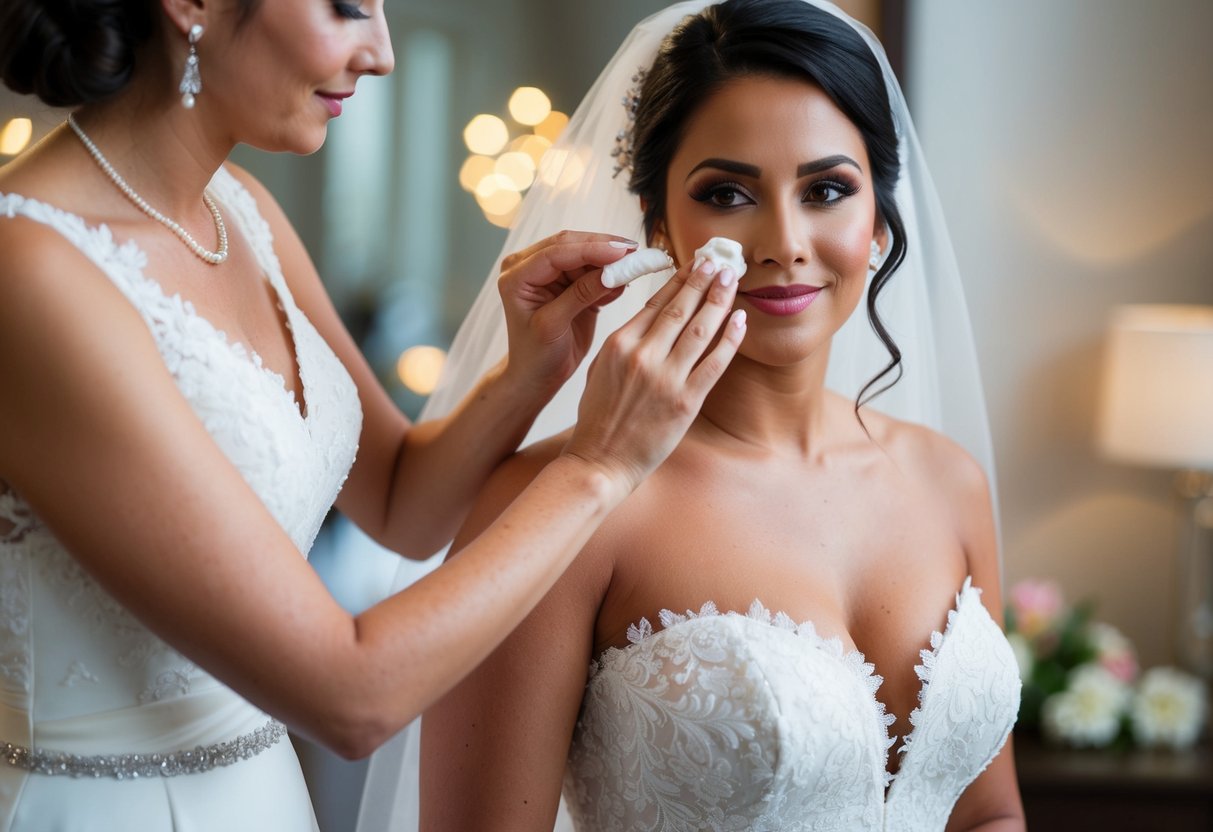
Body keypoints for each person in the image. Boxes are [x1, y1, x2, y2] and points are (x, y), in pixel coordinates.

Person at [0, 0, 747, 829]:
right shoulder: (30, 274)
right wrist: (598, 467)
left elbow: (402, 504)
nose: (382, 54)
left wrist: (528, 372)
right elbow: (351, 697)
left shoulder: (237, 212)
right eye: (347, 6)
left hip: (261, 798)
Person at [401, 0, 1025, 829]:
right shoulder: (551, 504)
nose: (783, 240)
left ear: (877, 220)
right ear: (659, 224)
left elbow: (987, 815)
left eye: (828, 189)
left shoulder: (947, 480)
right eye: (727, 192)